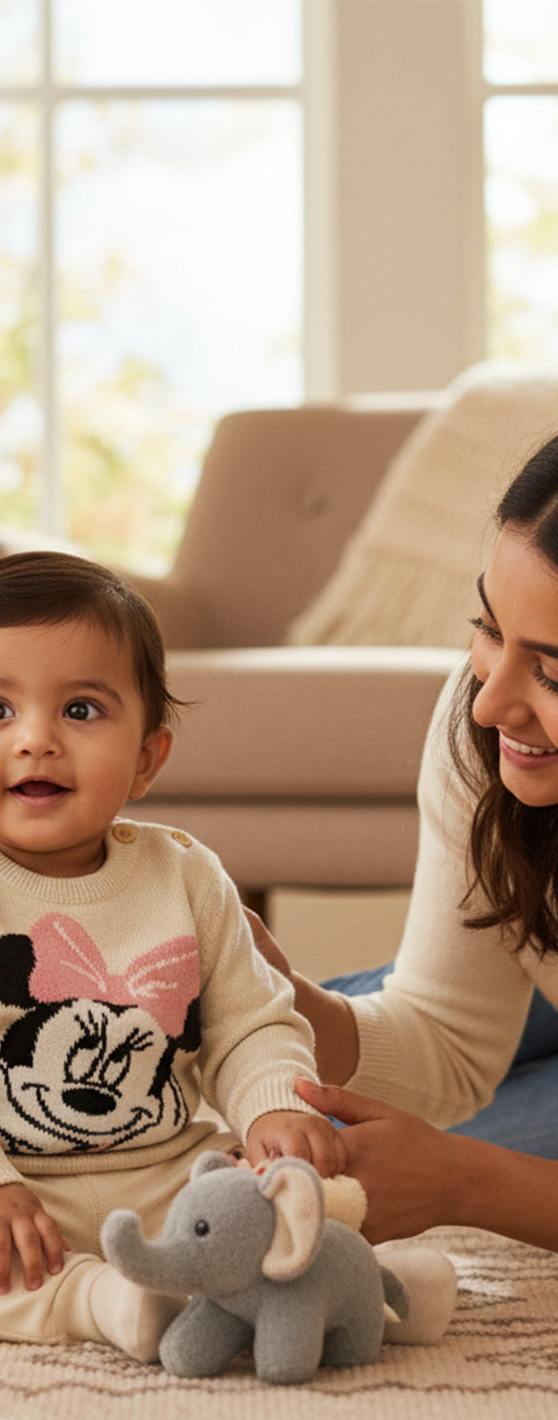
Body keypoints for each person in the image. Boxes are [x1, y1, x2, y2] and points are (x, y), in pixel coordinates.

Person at [0, 551, 450, 1359]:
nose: (37, 740)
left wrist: (269, 1110)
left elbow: (253, 1020)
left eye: (81, 710)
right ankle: (99, 1299)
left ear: (148, 757)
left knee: (271, 1190)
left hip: (152, 1171)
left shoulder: (185, 875)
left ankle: (369, 1281)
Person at [251, 433, 558, 1251]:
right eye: (489, 627)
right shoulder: (483, 725)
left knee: (339, 1168)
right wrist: (281, 1000)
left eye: (553, 673)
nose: (490, 704)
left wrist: (463, 1181)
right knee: (253, 1070)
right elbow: (449, 1040)